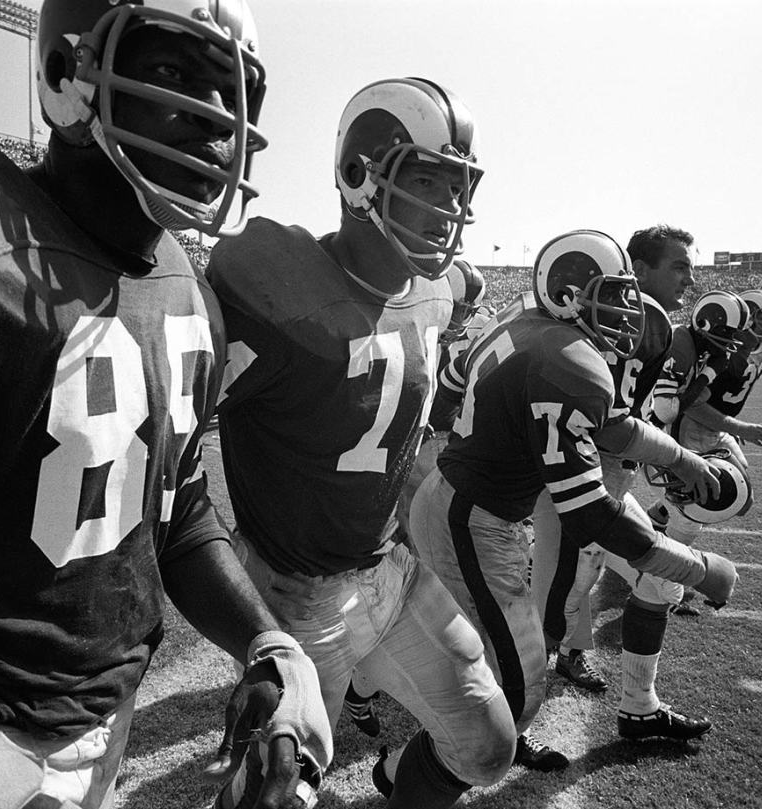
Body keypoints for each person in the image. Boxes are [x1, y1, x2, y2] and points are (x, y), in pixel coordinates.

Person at [0, 2, 333, 808]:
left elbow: (173, 512)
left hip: (100, 720)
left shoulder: (190, 295)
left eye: (233, 92)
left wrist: (266, 640)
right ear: (64, 77)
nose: (215, 118)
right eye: (177, 75)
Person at [206, 77, 515, 809]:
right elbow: (180, 431)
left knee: (487, 741)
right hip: (293, 587)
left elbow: (444, 337)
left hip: (388, 569)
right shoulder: (273, 286)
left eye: (458, 187)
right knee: (271, 796)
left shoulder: (442, 290)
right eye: (429, 182)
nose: (450, 208)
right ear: (361, 175)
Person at [408, 229, 739, 770]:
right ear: (567, 292)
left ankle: (477, 743)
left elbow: (611, 426)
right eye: (614, 295)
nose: (628, 311)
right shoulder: (565, 360)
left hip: (467, 506)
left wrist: (681, 459)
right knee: (521, 678)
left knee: (508, 658)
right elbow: (590, 514)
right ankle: (408, 769)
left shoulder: (525, 323)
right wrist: (697, 569)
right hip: (468, 519)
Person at [529, 226, 730, 740]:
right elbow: (609, 426)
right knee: (547, 616)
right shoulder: (625, 323)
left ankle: (639, 706)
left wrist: (674, 465)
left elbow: (637, 418)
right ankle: (487, 733)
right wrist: (681, 461)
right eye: (679, 266)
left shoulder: (655, 325)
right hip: (576, 490)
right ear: (638, 270)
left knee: (652, 582)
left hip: (605, 485)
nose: (690, 276)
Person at [343, 257, 492, 739]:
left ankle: (368, 679)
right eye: (459, 303)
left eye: (470, 306)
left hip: (441, 451)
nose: (463, 314)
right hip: (415, 455)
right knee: (412, 566)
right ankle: (368, 675)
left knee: (419, 572)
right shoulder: (405, 319)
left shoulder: (472, 333)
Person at [646, 289, 762, 557]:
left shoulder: (709, 349)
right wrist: (706, 377)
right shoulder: (681, 343)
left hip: (671, 424)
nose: (734, 343)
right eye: (729, 335)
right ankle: (659, 577)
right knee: (696, 503)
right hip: (652, 424)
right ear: (705, 325)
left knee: (737, 491)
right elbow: (667, 410)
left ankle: (658, 520)